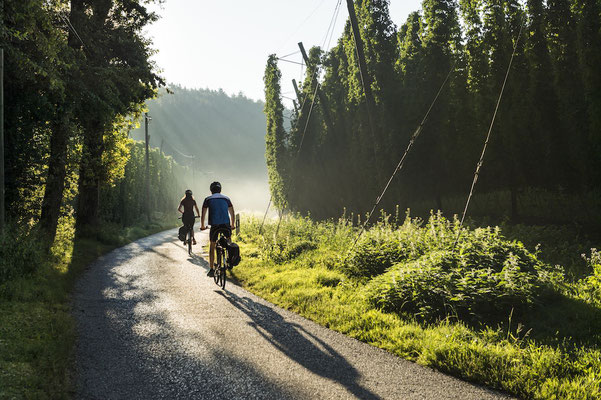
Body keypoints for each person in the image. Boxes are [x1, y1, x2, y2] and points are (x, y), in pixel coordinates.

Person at [200, 181, 235, 277]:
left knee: (212, 245)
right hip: (226, 224)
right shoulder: (226, 198)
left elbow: (203, 214)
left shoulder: (207, 199)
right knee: (229, 241)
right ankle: (230, 260)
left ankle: (211, 269)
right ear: (220, 190)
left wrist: (202, 225)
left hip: (214, 225)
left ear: (211, 190)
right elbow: (232, 212)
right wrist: (232, 224)